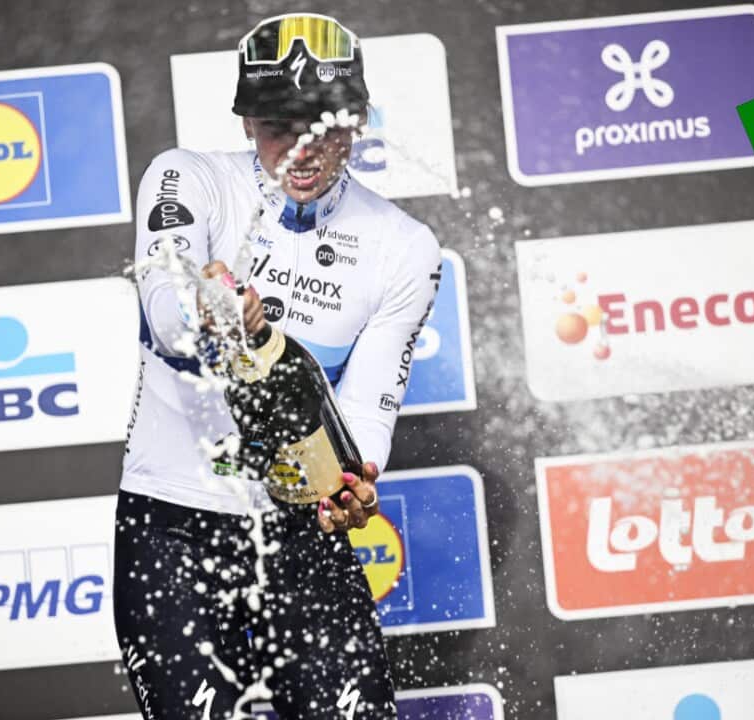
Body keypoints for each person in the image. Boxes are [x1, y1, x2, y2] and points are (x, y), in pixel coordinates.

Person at [117, 13, 441, 720]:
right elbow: (166, 311)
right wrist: (211, 310)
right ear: (245, 125)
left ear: (354, 122)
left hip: (301, 536)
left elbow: (366, 410)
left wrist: (354, 483)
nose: (300, 151)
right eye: (274, 128)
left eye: (321, 128)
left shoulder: (404, 246)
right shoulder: (186, 178)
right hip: (173, 532)